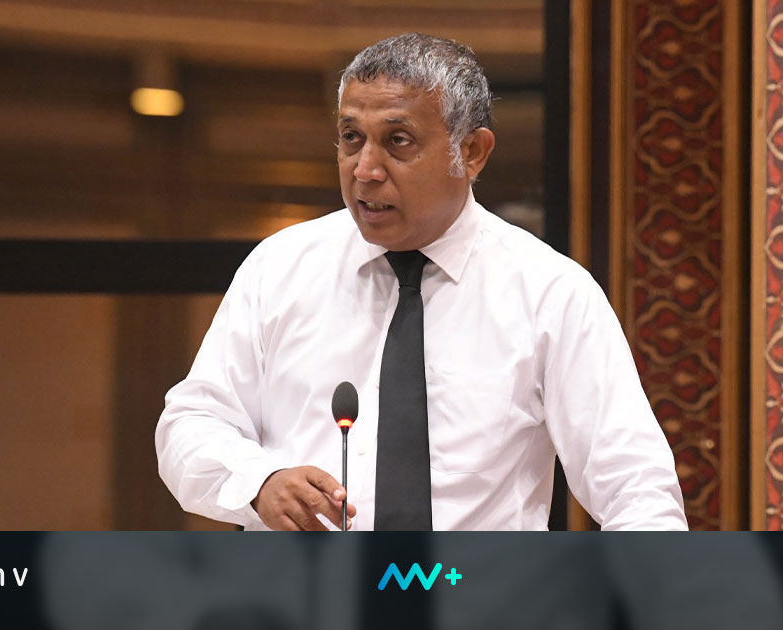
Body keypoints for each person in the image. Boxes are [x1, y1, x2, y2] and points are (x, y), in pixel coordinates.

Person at [155, 33, 687, 531]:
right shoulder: (280, 268)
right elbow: (191, 423)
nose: (365, 169)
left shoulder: (550, 293)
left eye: (398, 141)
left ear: (471, 152)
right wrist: (259, 481)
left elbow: (636, 489)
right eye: (351, 138)